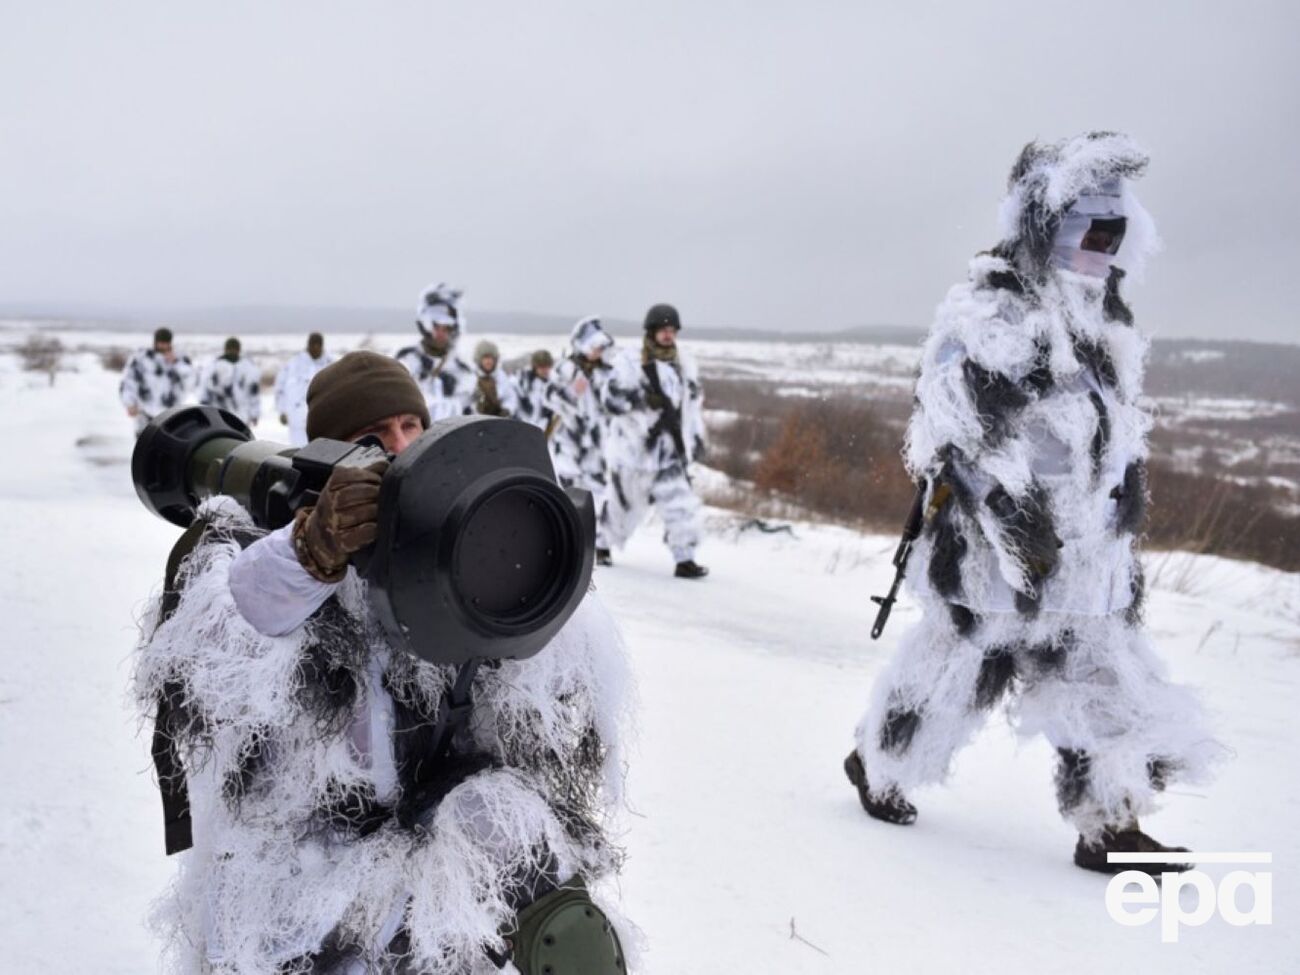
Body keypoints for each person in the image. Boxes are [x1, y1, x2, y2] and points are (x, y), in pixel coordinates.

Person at [133, 351, 633, 973]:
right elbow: (222, 653)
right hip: (295, 881)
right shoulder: (255, 554)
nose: (397, 448)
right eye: (370, 438)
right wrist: (312, 555)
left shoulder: (451, 551)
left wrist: (533, 578)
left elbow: (538, 699)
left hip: (423, 861)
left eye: (410, 426)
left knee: (520, 841)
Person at [843, 132, 1220, 874]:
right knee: (955, 672)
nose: (1102, 247)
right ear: (1046, 224)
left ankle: (1110, 823)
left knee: (1110, 684)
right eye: (1090, 229)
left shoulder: (1102, 320)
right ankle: (879, 765)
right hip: (995, 562)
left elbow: (1110, 438)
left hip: (1089, 565)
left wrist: (1116, 522)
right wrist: (1016, 525)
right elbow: (954, 430)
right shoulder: (992, 311)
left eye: (1115, 233)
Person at [601, 304, 709, 579]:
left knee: (681, 505)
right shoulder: (630, 361)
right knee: (621, 505)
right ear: (651, 331)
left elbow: (692, 406)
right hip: (633, 452)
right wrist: (639, 397)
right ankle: (601, 546)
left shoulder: (684, 364)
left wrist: (695, 438)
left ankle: (685, 558)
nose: (668, 335)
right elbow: (610, 400)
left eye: (672, 330)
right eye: (663, 330)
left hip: (670, 452)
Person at [548, 318, 617, 566]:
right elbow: (550, 398)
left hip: (596, 445)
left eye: (601, 348)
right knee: (566, 491)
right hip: (568, 441)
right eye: (594, 347)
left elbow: (616, 404)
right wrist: (570, 394)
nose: (598, 352)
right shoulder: (565, 369)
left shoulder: (607, 372)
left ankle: (598, 544)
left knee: (597, 493)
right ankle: (562, 540)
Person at [396, 283, 476, 421]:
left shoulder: (463, 371)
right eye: (436, 326)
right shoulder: (407, 361)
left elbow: (470, 416)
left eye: (446, 328)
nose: (440, 333)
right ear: (425, 325)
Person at [119, 326, 197, 436]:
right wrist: (130, 403)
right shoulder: (141, 358)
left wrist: (176, 363)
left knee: (169, 450)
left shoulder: (180, 359)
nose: (164, 346)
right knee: (145, 449)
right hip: (144, 415)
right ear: (155, 342)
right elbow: (128, 381)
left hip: (170, 416)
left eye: (166, 342)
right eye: (161, 342)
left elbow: (192, 382)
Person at [274, 332, 334, 445]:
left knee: (320, 452)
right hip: (296, 418)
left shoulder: (331, 365)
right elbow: (280, 388)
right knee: (298, 452)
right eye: (313, 344)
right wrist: (282, 411)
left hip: (322, 418)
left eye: (318, 344)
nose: (315, 347)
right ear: (308, 345)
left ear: (322, 345)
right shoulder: (293, 364)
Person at [199, 337, 262, 426]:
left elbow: (254, 394)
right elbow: (205, 392)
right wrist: (204, 412)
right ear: (225, 349)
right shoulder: (214, 367)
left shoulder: (248, 368)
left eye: (234, 349)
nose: (232, 351)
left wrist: (255, 413)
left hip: (242, 417)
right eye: (230, 349)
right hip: (219, 415)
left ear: (238, 350)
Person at [470, 339, 520, 418]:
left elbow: (510, 397)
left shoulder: (500, 376)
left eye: (491, 358)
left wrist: (507, 409)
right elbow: (462, 401)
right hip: (474, 422)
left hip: (496, 422)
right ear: (479, 359)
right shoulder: (470, 376)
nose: (489, 361)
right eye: (485, 357)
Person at [515, 350, 556, 431]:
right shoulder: (524, 383)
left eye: (547, 366)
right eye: (541, 366)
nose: (544, 370)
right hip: (527, 427)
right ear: (535, 367)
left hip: (547, 429)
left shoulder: (554, 384)